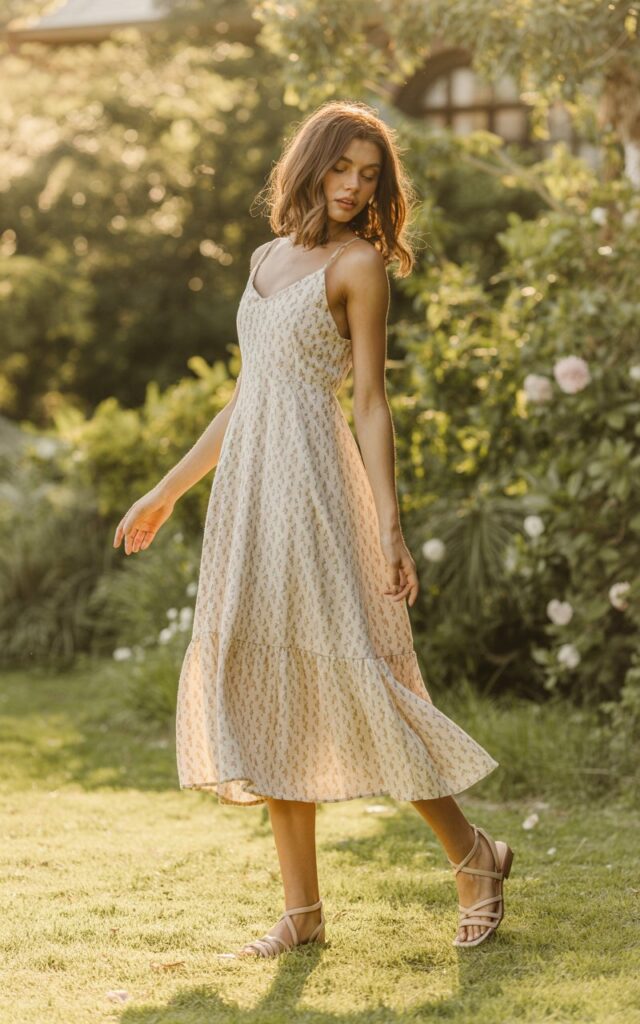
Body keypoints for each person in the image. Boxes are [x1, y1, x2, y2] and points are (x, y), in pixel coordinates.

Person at [113, 99, 514, 956]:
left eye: (369, 176)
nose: (354, 186)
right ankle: (302, 914)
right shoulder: (263, 259)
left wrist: (391, 527)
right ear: (313, 164)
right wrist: (165, 492)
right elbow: (246, 399)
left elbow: (370, 403)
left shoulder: (359, 265)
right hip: (249, 496)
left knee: (360, 680)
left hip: (318, 492)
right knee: (261, 684)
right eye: (343, 168)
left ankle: (474, 856)